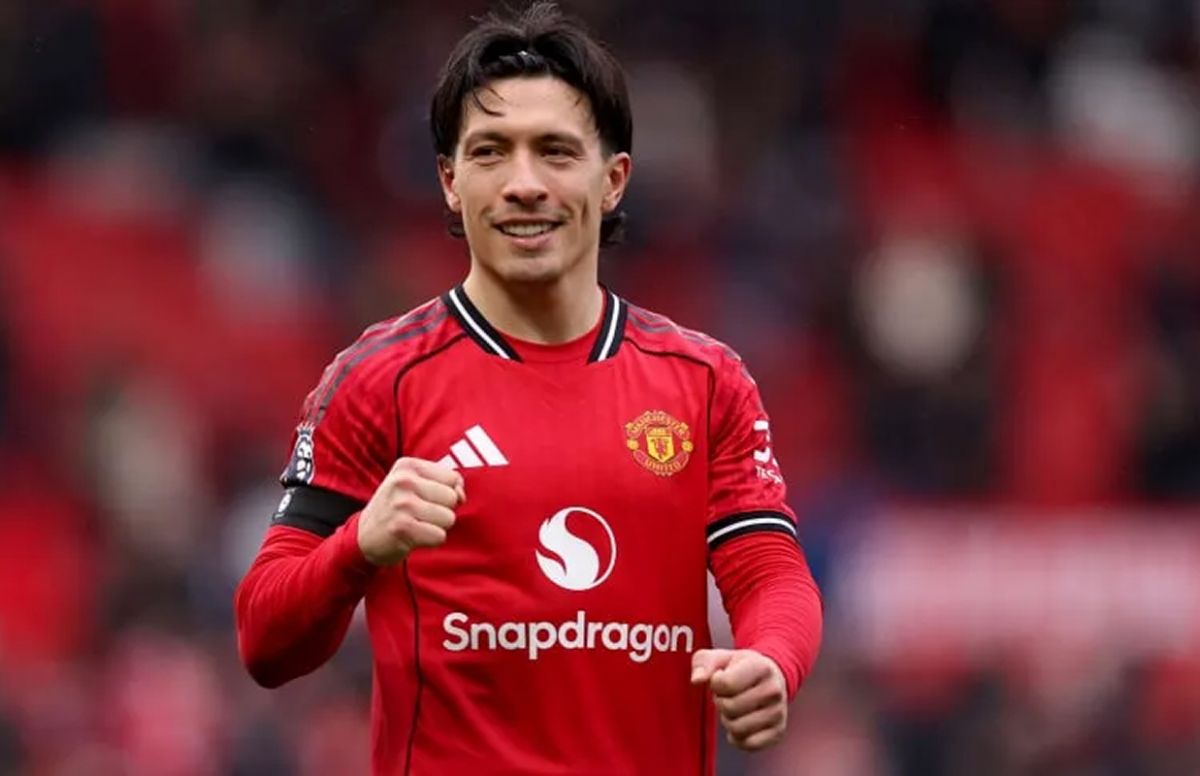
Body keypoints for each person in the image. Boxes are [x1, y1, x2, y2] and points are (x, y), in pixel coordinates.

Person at [234, 3, 823, 773]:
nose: (523, 184)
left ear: (613, 180)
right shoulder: (377, 380)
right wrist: (360, 545)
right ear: (450, 182)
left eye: (555, 151)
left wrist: (773, 658)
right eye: (490, 152)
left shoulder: (704, 381)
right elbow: (265, 641)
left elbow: (768, 568)